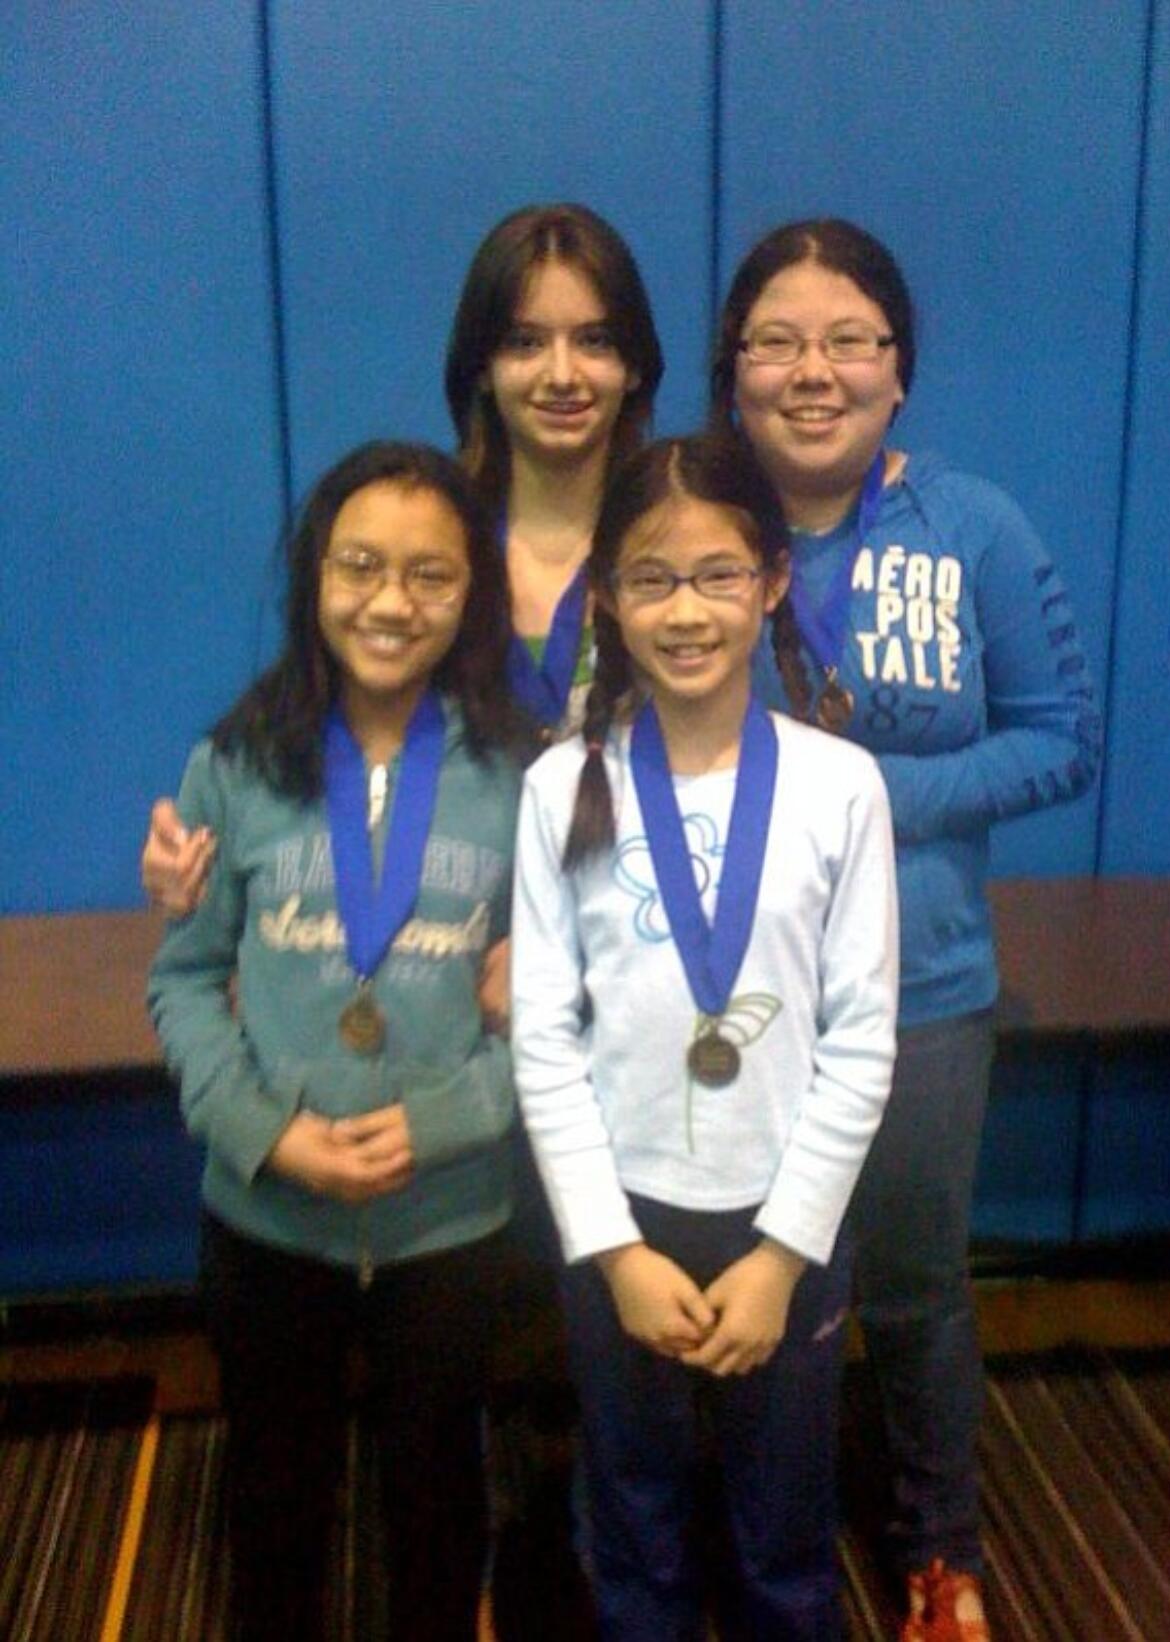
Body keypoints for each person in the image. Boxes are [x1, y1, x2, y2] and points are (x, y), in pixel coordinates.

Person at [710, 218, 1101, 1641]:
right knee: (755, 1280)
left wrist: (877, 790)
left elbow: (1060, 742)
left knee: (919, 1284)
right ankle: (763, 1533)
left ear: (896, 370)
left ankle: (938, 1543)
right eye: (776, 340)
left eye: (848, 339)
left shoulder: (974, 527)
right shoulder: (689, 519)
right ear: (732, 368)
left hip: (920, 988)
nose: (812, 371)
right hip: (723, 996)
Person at [510, 433, 899, 1639]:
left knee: (783, 1528)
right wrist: (613, 1253)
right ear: (608, 599)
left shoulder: (842, 786)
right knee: (633, 1515)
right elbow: (542, 1040)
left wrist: (783, 1255)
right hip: (621, 1218)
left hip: (784, 1221)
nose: (685, 611)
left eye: (718, 575)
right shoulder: (559, 784)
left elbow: (860, 1038)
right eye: (650, 579)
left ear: (772, 582)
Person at [147, 440, 524, 1642]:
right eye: (359, 565)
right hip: (268, 1217)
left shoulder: (523, 774)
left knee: (436, 1494)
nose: (390, 601)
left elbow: (568, 1013)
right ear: (315, 578)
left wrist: (449, 1116)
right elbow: (187, 976)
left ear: (471, 596)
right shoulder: (236, 764)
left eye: (430, 575)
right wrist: (265, 1134)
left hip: (447, 1217)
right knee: (273, 1492)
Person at [142, 203, 663, 912]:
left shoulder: (678, 549)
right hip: (451, 957)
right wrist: (201, 851)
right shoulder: (422, 546)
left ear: (635, 365)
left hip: (640, 932)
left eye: (595, 340)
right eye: (525, 343)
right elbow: (307, 718)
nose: (562, 374)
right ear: (481, 366)